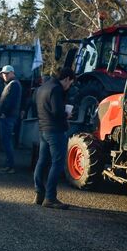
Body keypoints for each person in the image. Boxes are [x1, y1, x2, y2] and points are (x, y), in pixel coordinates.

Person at [33, 66, 76, 209]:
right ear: (67, 79)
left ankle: (39, 193)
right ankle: (50, 197)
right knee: (57, 163)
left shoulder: (42, 87)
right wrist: (67, 115)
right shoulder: (56, 89)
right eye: (70, 83)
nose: (69, 86)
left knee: (42, 161)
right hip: (55, 130)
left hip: (43, 129)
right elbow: (57, 112)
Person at [0, 65, 22, 174]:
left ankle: (10, 166)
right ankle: (9, 165)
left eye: (6, 73)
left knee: (7, 141)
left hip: (8, 117)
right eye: (3, 73)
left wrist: (4, 113)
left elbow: (11, 102)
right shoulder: (12, 84)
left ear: (12, 73)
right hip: (8, 116)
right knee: (6, 141)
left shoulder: (14, 85)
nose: (4, 75)